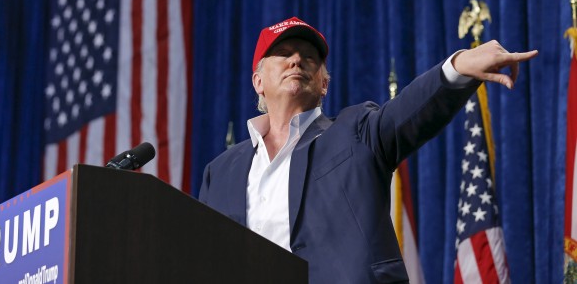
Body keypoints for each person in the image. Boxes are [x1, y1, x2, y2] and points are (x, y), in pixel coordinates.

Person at [198, 16, 538, 283]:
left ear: (324, 84)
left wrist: (457, 68)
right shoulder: (221, 171)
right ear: (258, 81)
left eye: (310, 58)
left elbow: (407, 111)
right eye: (284, 54)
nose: (297, 60)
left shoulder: (356, 132)